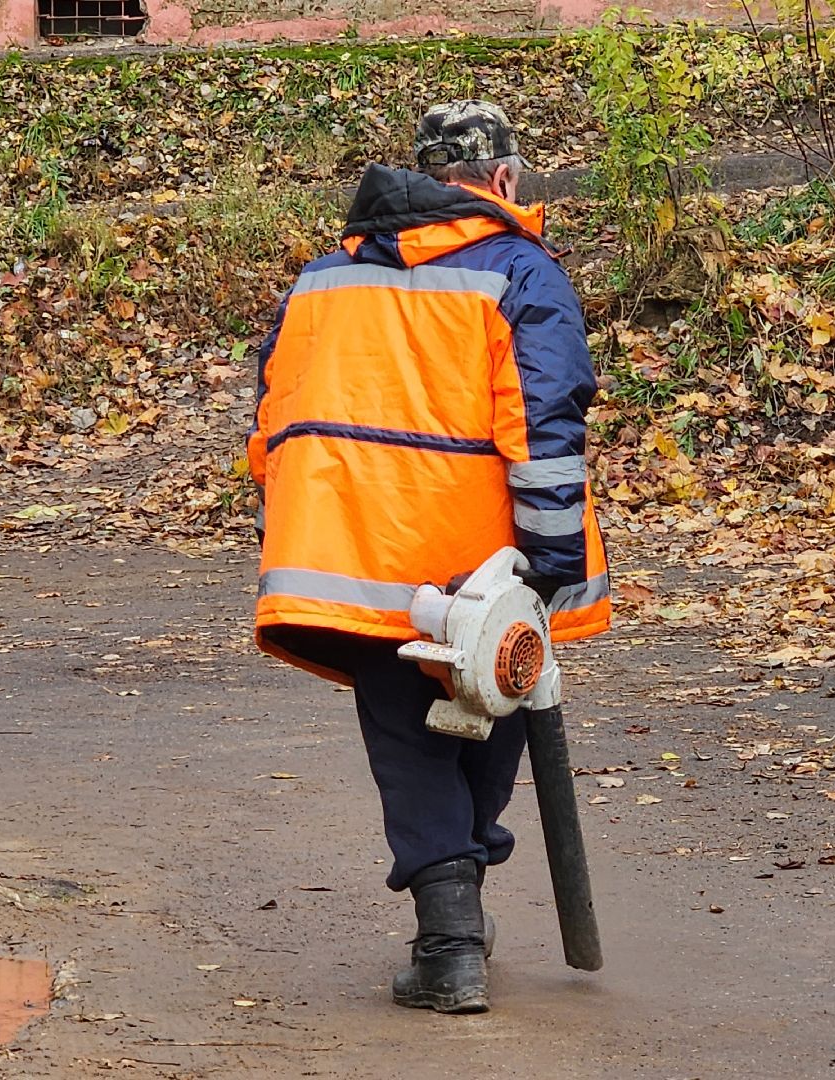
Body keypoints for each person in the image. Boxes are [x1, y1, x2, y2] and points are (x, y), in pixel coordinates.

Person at [246, 100, 611, 1015]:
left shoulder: (324, 279)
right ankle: (455, 930)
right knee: (492, 713)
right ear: (503, 182)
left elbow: (270, 416)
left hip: (356, 557)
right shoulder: (520, 272)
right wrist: (554, 555)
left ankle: (451, 940)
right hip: (481, 568)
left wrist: (309, 515)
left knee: (409, 740)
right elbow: (543, 423)